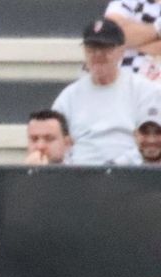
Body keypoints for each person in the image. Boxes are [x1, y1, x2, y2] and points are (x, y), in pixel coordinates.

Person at [53, 18, 161, 166]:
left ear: (121, 51)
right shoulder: (68, 97)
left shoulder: (145, 91)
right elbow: (56, 144)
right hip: (79, 177)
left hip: (131, 176)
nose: (98, 55)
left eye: (105, 48)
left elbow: (152, 145)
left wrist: (111, 170)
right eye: (91, 48)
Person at [104, 0, 161, 81]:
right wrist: (158, 28)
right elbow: (115, 33)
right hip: (125, 82)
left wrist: (135, 42)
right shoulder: (127, 2)